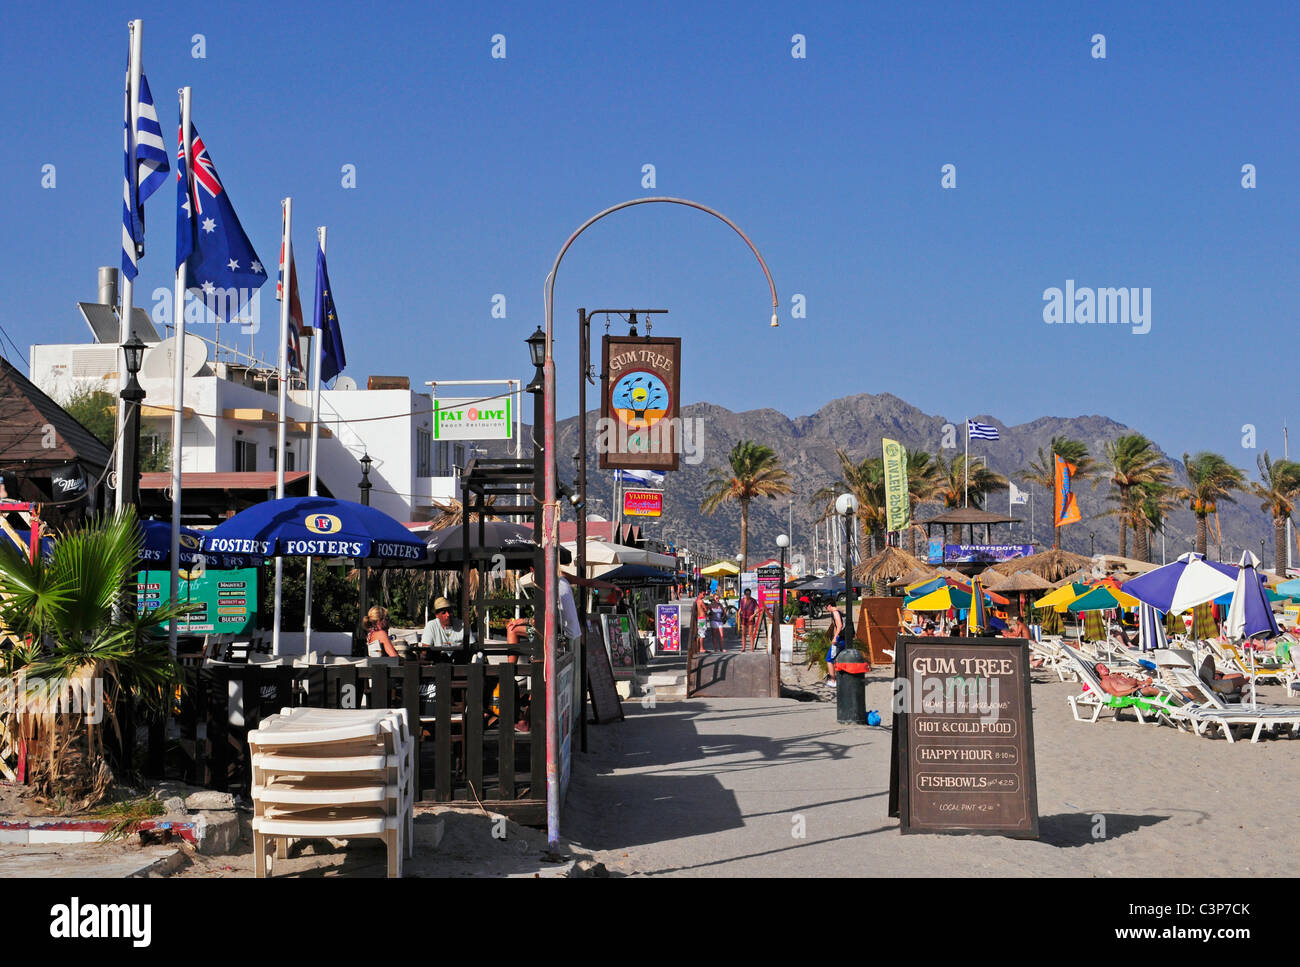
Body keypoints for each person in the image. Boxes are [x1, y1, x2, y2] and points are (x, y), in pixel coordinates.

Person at [825, 603, 845, 686]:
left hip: (839, 639)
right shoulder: (840, 611)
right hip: (845, 638)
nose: (826, 609)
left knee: (829, 659)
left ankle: (833, 681)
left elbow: (839, 625)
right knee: (840, 659)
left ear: (829, 605)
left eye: (826, 607)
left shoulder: (835, 612)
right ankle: (841, 679)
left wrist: (834, 638)